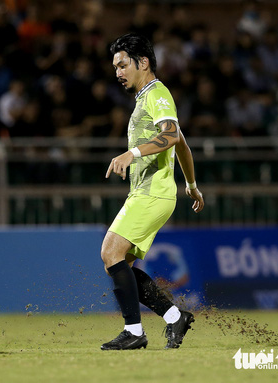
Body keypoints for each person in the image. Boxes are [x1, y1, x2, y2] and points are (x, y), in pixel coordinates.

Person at [101, 33, 204, 350]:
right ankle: (175, 318)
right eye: (115, 67)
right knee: (123, 264)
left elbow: (171, 135)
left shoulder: (157, 93)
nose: (118, 72)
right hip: (152, 192)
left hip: (153, 193)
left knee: (110, 253)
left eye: (122, 64)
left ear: (142, 62)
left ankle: (134, 332)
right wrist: (191, 184)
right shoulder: (148, 98)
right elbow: (182, 142)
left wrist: (131, 154)